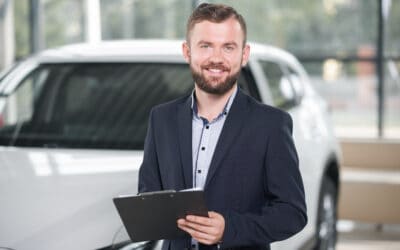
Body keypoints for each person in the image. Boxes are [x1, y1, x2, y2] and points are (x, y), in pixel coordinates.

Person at [138, 3, 307, 250]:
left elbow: (292, 213)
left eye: (228, 47)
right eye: (205, 46)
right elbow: (149, 198)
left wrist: (230, 228)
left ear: (244, 54)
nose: (216, 58)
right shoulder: (161, 119)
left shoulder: (271, 125)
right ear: (187, 51)